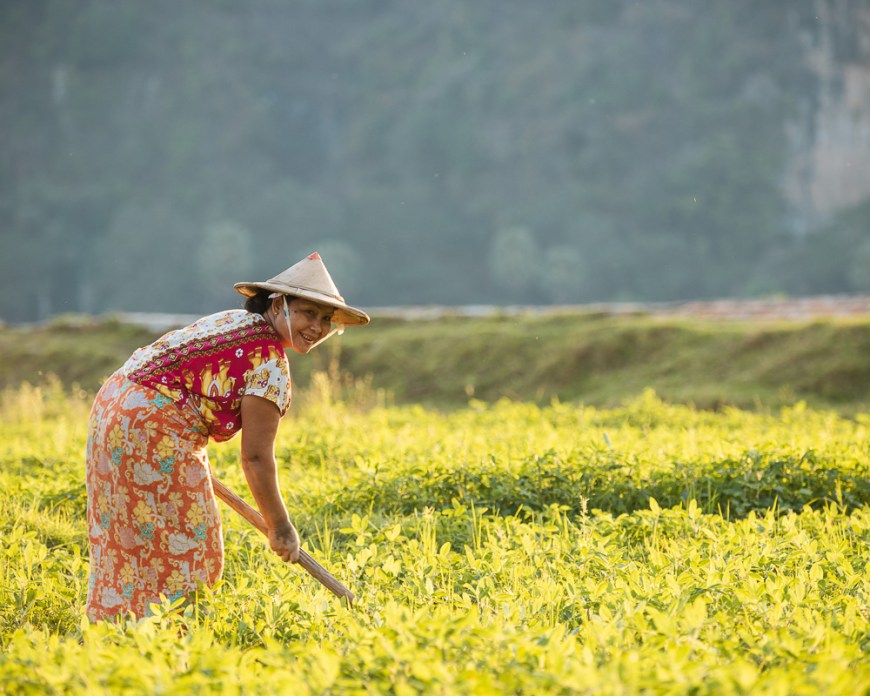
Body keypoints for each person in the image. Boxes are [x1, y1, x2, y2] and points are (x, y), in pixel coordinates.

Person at [85, 252, 369, 621]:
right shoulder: (269, 364)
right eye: (308, 313)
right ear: (279, 304)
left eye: (327, 319)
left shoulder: (233, 321)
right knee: (191, 545)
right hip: (151, 429)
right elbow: (255, 458)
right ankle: (170, 641)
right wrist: (281, 528)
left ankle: (119, 631)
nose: (317, 327)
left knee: (130, 533)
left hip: (113, 407)